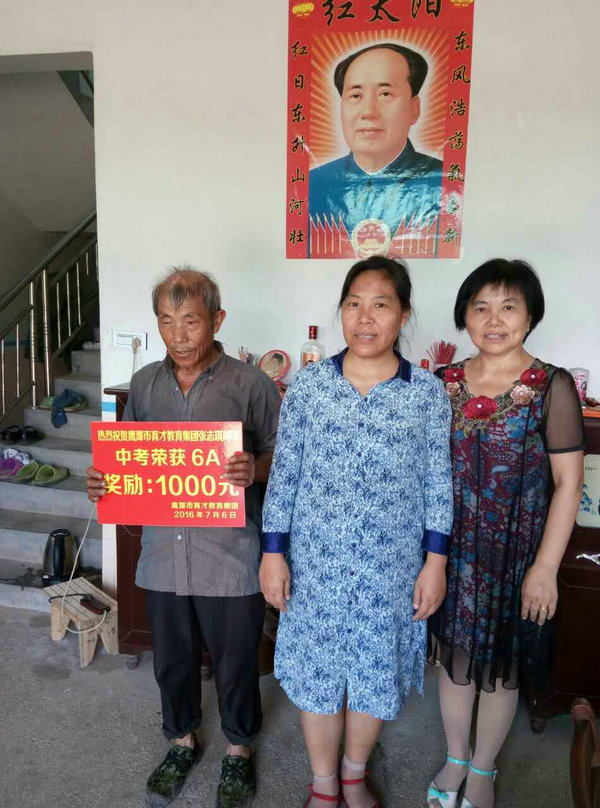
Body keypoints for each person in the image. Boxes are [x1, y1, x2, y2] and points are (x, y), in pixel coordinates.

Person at [259, 256, 454, 808]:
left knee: (375, 670)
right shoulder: (309, 387)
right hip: (314, 564)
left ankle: (353, 775)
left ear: (403, 315)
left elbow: (438, 482)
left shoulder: (426, 393)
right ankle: (323, 785)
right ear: (341, 311)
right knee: (317, 673)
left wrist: (434, 563)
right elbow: (285, 476)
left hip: (390, 568)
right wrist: (273, 553)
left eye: (380, 305)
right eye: (353, 304)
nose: (365, 318)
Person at [86, 268, 281, 808]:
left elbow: (284, 457)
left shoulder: (250, 384)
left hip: (230, 553)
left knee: (235, 659)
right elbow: (129, 462)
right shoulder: (145, 384)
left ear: (217, 320)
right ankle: (181, 740)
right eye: (167, 322)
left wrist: (254, 469)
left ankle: (238, 748)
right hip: (163, 554)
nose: (178, 335)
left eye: (190, 321)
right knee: (171, 658)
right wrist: (104, 481)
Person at [427, 259, 585, 808]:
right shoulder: (442, 383)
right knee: (454, 659)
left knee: (502, 666)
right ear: (465, 317)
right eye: (481, 308)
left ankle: (483, 769)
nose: (494, 320)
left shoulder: (551, 386)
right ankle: (455, 758)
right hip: (452, 553)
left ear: (530, 316)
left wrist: (545, 569)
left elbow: (568, 484)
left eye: (509, 307)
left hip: (517, 553)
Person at [308, 44, 442, 258]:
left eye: (385, 93)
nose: (368, 112)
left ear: (414, 108)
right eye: (355, 96)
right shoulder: (312, 184)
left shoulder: (443, 181)